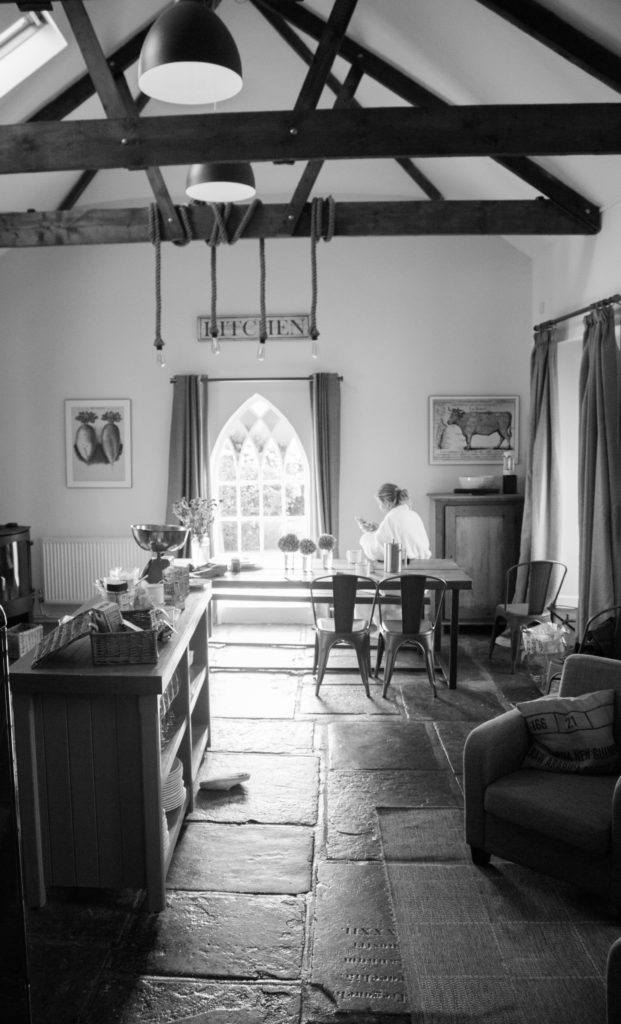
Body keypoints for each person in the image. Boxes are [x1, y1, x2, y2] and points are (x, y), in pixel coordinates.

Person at [356, 482, 431, 561]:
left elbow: (378, 552)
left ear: (387, 502)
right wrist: (377, 530)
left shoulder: (391, 518)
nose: (380, 506)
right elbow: (402, 539)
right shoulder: (414, 515)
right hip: (422, 565)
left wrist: (366, 536)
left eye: (379, 503)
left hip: (403, 569)